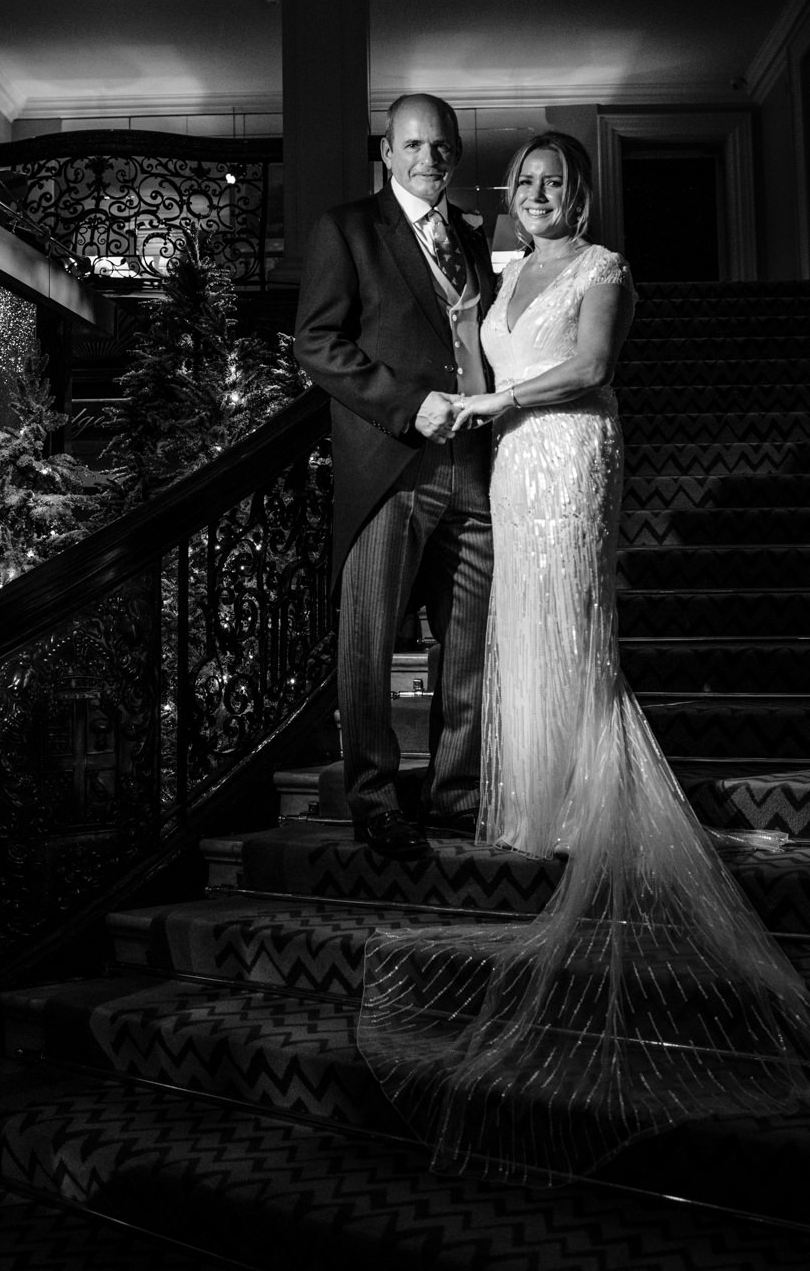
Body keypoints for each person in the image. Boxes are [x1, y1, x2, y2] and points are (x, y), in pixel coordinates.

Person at [358, 131, 810, 1181]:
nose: (536, 193)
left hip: (567, 451)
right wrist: (466, 340)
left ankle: (584, 798)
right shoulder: (504, 276)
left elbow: (593, 367)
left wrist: (498, 400)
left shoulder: (604, 268)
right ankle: (535, 797)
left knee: (568, 618)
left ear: (580, 193)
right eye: (523, 181)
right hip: (512, 466)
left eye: (552, 181)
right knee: (519, 624)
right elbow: (482, 362)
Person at [294, 94, 496, 860]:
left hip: (475, 465)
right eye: (411, 145)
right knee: (369, 643)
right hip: (390, 465)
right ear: (385, 152)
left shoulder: (470, 237)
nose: (426, 159)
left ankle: (455, 795)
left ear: (455, 152)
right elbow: (316, 343)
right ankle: (374, 800)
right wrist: (409, 407)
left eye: (439, 146)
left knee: (469, 646)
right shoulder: (347, 228)